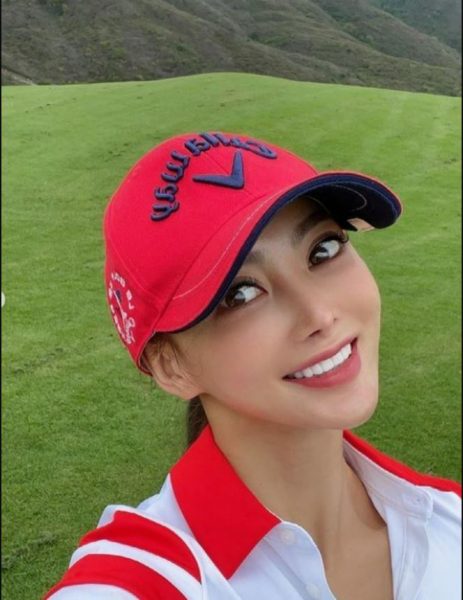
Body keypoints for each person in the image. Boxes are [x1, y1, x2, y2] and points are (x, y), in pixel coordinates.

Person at [45, 131, 461, 600]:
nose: (319, 315)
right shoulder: (141, 581)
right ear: (171, 366)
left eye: (323, 250)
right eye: (240, 293)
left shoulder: (448, 514)